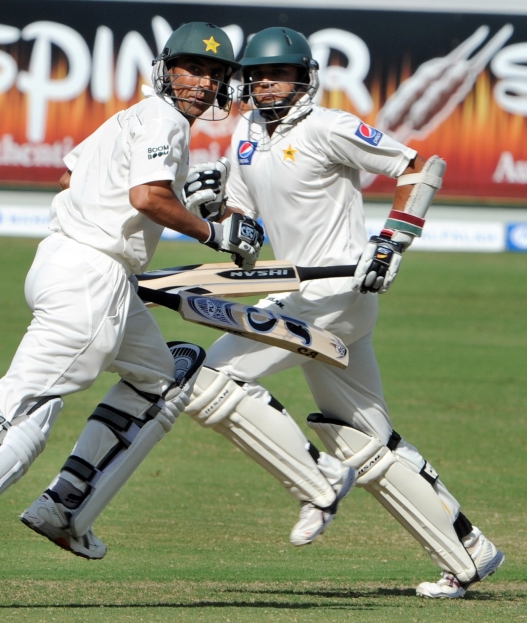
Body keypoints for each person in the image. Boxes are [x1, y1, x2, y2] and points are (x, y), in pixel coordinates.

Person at [0, 22, 263, 608]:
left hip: (74, 267)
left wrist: (143, 227)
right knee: (21, 419)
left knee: (165, 376)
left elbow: (70, 177)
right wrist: (215, 230)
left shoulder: (130, 118)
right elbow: (146, 197)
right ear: (166, 70)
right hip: (90, 281)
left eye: (213, 74)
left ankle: (67, 506)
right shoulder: (165, 121)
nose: (202, 83)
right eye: (191, 69)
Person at [182, 27, 504, 599]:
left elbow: (417, 167)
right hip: (297, 291)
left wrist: (392, 242)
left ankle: (317, 480)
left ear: (304, 78)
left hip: (336, 294)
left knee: (212, 381)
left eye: (278, 74)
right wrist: (214, 210)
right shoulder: (247, 134)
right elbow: (250, 233)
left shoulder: (330, 126)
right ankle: (468, 549)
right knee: (367, 439)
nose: (265, 84)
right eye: (256, 75)